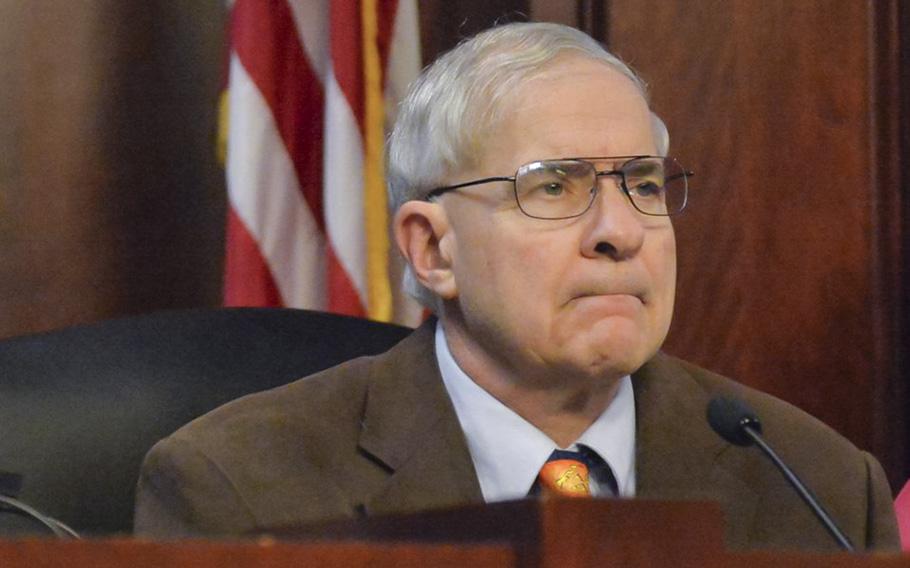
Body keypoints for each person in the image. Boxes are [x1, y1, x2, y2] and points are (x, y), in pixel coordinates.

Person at [134, 22, 899, 550]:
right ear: (432, 249)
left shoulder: (818, 485)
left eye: (642, 183)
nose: (620, 231)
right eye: (556, 187)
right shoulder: (241, 489)